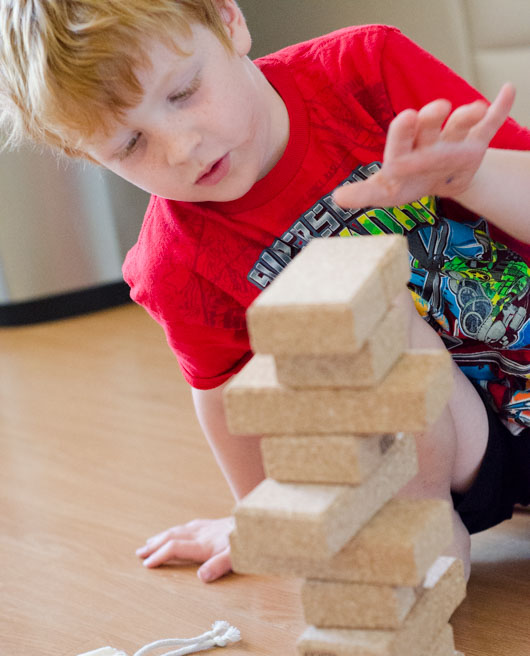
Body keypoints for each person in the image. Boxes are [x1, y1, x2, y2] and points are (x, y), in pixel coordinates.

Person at [2, 1, 530, 583]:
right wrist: (261, 516)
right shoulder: (174, 263)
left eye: (183, 93)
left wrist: (470, 177)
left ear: (229, 20)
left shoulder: (365, 69)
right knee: (366, 325)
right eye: (130, 145)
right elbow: (228, 394)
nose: (181, 147)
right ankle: (422, 536)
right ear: (85, 155)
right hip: (462, 453)